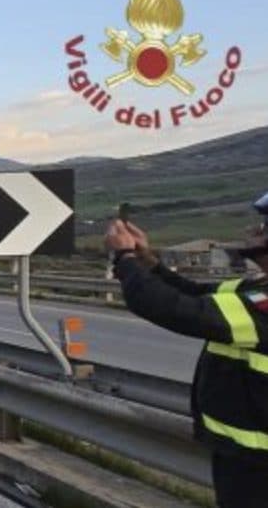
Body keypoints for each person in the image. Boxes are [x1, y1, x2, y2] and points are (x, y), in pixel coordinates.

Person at [105, 191, 268, 508]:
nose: (255, 231)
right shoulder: (253, 290)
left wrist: (124, 259)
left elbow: (169, 308)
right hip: (245, 456)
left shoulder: (260, 308)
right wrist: (148, 261)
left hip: (257, 467)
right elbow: (193, 294)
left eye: (265, 225)